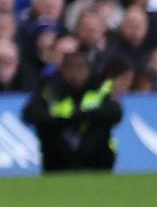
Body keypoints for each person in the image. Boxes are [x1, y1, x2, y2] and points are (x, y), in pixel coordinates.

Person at [25, 43, 121, 171]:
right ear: (62, 70)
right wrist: (63, 120)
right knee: (49, 131)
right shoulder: (49, 89)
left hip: (96, 154)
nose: (74, 73)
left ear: (89, 69)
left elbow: (115, 112)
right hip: (59, 155)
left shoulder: (101, 88)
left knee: (100, 126)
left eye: (80, 67)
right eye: (69, 67)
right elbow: (30, 114)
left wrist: (81, 115)